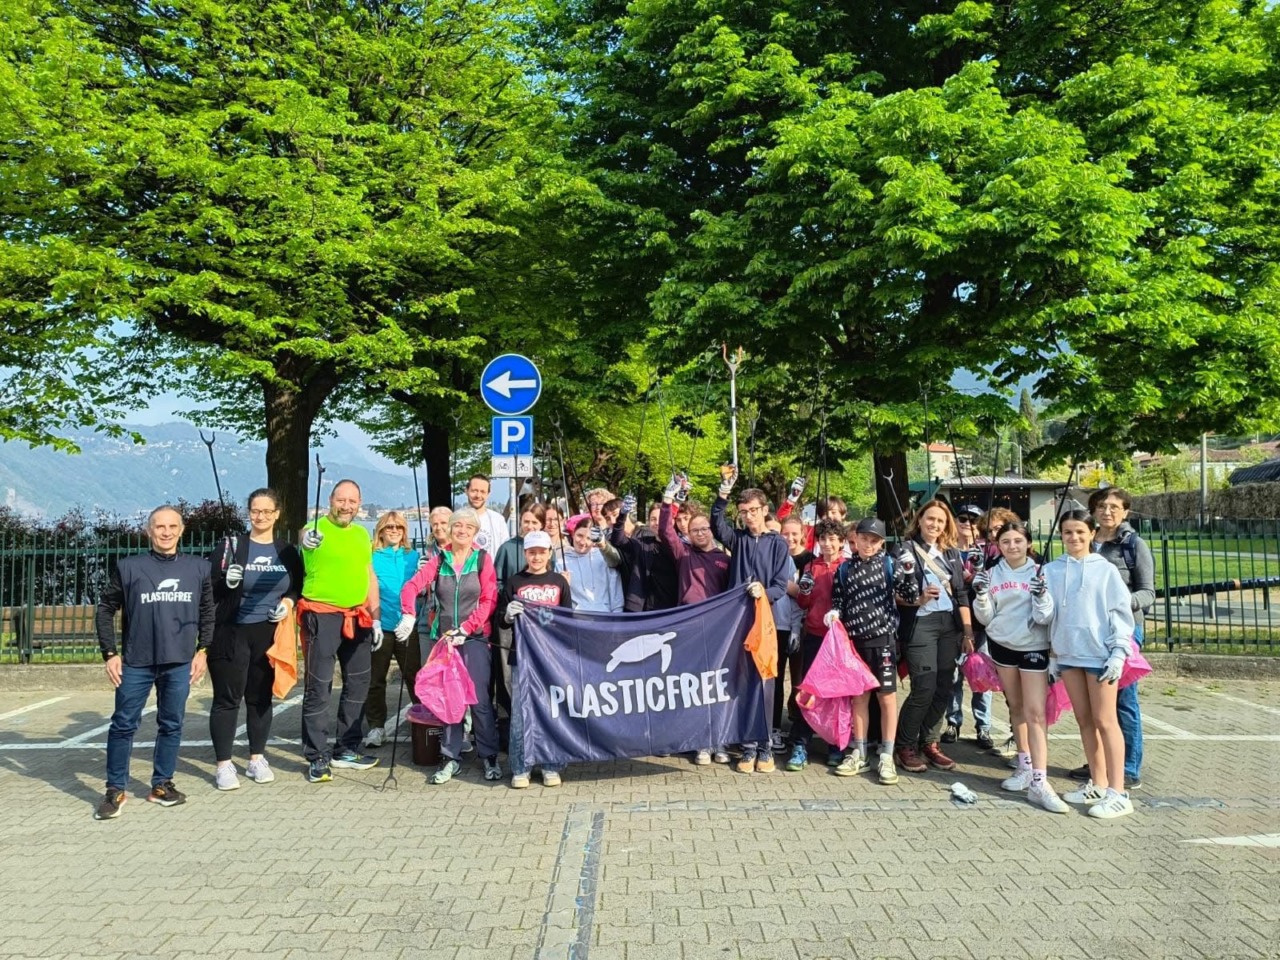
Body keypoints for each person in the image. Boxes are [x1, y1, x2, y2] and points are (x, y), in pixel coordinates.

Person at [93, 505, 215, 819]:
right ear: (149, 531)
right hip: (136, 662)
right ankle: (115, 789)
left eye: (172, 526)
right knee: (123, 725)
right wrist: (110, 653)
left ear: (182, 530)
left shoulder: (198, 568)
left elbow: (207, 613)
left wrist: (204, 651)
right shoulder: (130, 567)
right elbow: (105, 609)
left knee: (171, 725)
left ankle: (162, 784)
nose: (166, 532)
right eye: (159, 526)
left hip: (179, 662)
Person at [397, 507, 501, 784]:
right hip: (445, 641)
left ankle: (489, 756)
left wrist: (466, 629)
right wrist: (408, 613)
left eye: (469, 527)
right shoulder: (438, 560)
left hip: (475, 637)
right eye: (458, 526)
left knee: (478, 699)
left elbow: (489, 600)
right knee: (450, 700)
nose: (462, 531)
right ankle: (450, 757)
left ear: (475, 533)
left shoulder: (482, 559)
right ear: (450, 529)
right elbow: (411, 586)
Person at [207, 488, 303, 790]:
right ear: (248, 512)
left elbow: (296, 587)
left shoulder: (286, 550)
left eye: (266, 511)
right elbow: (209, 587)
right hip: (231, 632)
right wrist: (226, 581)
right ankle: (223, 765)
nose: (260, 516)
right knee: (227, 699)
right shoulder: (231, 546)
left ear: (277, 514)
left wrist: (287, 604)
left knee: (260, 698)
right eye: (254, 510)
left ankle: (256, 758)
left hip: (268, 634)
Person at [1043, 510, 1135, 819]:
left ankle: (1118, 792)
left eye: (1080, 532)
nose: (1074, 538)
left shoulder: (1106, 570)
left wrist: (1118, 652)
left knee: (1106, 721)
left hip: (1100, 655)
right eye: (1068, 532)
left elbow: (1121, 612)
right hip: (1068, 656)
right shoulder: (1051, 570)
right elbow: (1048, 616)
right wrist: (1054, 656)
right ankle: (1097, 782)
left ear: (1092, 533)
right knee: (1084, 720)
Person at [972, 521, 1067, 813]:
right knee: (1015, 707)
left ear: (1028, 542)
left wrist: (1041, 596)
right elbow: (986, 618)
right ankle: (1024, 766)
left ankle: (1040, 781)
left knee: (1035, 713)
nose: (1012, 546)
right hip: (1002, 646)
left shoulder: (1042, 572)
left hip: (1033, 647)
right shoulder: (990, 573)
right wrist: (980, 595)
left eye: (1017, 541)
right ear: (997, 546)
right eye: (1005, 542)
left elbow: (1045, 617)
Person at [1069, 487, 1154, 790]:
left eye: (1114, 507)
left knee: (1123, 701)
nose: (1107, 512)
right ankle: (1099, 764)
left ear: (1125, 512)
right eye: (1101, 506)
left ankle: (1128, 767)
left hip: (1124, 631)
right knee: (1094, 705)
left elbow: (1148, 592)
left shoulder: (1132, 545)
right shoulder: (1086, 542)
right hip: (1089, 632)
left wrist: (1118, 602)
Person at [298, 479, 381, 783]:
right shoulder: (315, 529)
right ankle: (316, 754)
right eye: (341, 500)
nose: (346, 506)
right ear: (330, 500)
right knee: (318, 686)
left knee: (359, 683)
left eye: (352, 501)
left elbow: (368, 575)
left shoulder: (361, 535)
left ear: (359, 504)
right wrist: (307, 539)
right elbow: (304, 537)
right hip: (323, 616)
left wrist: (376, 617)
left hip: (357, 616)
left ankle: (347, 747)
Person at [711, 467, 793, 773]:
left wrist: (763, 592)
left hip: (764, 622)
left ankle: (765, 745)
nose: (749, 516)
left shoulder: (778, 544)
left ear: (765, 511)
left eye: (754, 511)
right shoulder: (739, 539)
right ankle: (746, 747)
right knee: (742, 681)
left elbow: (781, 587)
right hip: (736, 621)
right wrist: (723, 494)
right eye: (744, 512)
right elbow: (717, 526)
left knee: (765, 682)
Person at [826, 518, 920, 784]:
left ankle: (887, 756)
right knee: (859, 699)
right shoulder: (844, 569)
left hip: (884, 641)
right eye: (864, 539)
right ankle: (860, 752)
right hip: (854, 644)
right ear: (856, 539)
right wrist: (834, 613)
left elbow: (911, 595)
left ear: (882, 542)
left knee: (886, 698)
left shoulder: (890, 564)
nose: (868, 544)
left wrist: (910, 570)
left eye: (874, 540)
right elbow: (838, 601)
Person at [894, 499, 976, 773]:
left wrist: (967, 631)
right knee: (924, 686)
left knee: (945, 685)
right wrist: (917, 599)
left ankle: (929, 742)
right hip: (920, 624)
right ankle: (904, 745)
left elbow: (962, 594)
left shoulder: (951, 553)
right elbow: (894, 591)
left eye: (940, 521)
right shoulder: (905, 550)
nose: (935, 525)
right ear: (919, 520)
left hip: (949, 626)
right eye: (930, 519)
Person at [658, 476, 732, 764]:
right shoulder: (683, 554)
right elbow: (665, 531)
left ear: (712, 530)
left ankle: (720, 740)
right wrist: (669, 500)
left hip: (718, 629)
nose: (700, 533)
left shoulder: (725, 559)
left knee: (719, 686)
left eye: (704, 528)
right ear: (687, 532)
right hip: (688, 629)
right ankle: (701, 741)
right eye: (694, 529)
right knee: (695, 687)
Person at [498, 530, 573, 788]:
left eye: (542, 551)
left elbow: (569, 620)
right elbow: (500, 620)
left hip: (552, 658)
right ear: (525, 553)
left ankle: (551, 765)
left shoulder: (559, 582)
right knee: (521, 714)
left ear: (549, 553)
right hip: (522, 656)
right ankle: (521, 766)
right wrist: (507, 614)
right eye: (532, 552)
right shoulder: (514, 582)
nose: (537, 556)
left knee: (552, 711)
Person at [787, 518, 847, 770]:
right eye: (823, 539)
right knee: (808, 690)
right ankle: (800, 744)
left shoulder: (849, 566)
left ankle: (835, 745)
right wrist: (805, 589)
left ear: (842, 541)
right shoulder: (811, 566)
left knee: (836, 693)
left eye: (833, 539)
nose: (828, 543)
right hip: (814, 634)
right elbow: (803, 602)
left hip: (839, 639)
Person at [365, 511, 422, 749]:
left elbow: (421, 586)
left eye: (399, 527)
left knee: (414, 676)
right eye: (389, 527)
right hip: (381, 625)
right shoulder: (371, 556)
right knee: (376, 679)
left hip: (407, 625)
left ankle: (422, 720)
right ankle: (376, 726)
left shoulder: (413, 556)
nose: (394, 530)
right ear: (380, 530)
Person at [944, 502, 995, 749]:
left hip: (982, 623)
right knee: (953, 676)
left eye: (973, 520)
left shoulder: (988, 551)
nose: (967, 523)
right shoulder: (946, 550)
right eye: (962, 518)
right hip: (953, 621)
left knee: (982, 676)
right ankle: (953, 722)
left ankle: (983, 726)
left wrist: (977, 572)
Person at [772, 517, 810, 753]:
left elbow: (804, 595)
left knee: (800, 681)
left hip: (801, 626)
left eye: (794, 534)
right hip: (777, 625)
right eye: (785, 533)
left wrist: (788, 586)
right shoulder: (775, 556)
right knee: (774, 680)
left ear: (802, 534)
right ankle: (774, 726)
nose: (790, 538)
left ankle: (799, 728)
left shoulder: (809, 560)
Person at [610, 495, 679, 611]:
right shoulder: (641, 543)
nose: (657, 523)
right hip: (641, 608)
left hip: (671, 608)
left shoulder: (679, 547)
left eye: (661, 518)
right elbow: (618, 540)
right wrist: (623, 514)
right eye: (653, 519)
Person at [563, 515, 623, 612]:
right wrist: (562, 584)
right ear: (573, 534)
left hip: (604, 618)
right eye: (579, 535)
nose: (583, 542)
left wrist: (617, 617)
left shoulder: (604, 558)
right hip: (577, 620)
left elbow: (615, 591)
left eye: (589, 538)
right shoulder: (561, 562)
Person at [465, 474, 510, 554]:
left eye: (482, 492)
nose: (478, 495)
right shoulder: (457, 519)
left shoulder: (498, 520)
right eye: (474, 490)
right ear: (466, 491)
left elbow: (505, 550)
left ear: (488, 494)